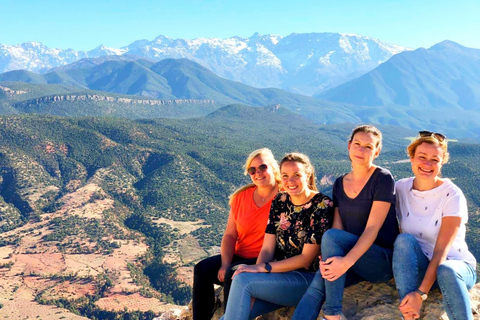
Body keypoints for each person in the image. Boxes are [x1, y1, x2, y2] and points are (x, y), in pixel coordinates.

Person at [292, 125, 399, 320]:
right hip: (353, 259)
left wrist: (345, 262)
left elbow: (372, 229)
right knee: (318, 284)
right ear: (349, 146)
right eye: (357, 144)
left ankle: (333, 313)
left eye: (368, 146)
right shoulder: (340, 183)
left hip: (380, 261)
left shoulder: (382, 179)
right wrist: (330, 259)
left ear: (377, 151)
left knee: (331, 241)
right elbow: (338, 227)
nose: (361, 150)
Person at [220, 152, 334, 320]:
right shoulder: (280, 201)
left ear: (308, 174)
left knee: (242, 280)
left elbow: (305, 259)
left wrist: (262, 268)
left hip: (305, 280)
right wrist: (256, 272)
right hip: (277, 280)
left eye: (296, 175)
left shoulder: (321, 204)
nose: (290, 181)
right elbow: (267, 248)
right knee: (230, 314)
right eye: (285, 176)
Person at [393, 131, 477, 320]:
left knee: (446, 269)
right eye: (422, 157)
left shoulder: (452, 195)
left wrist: (421, 294)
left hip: (455, 269)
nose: (427, 164)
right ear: (412, 158)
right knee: (403, 240)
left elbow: (441, 252)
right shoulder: (400, 188)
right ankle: (409, 312)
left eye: (434, 160)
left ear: (442, 162)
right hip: (422, 266)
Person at [192, 148, 281, 320]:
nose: (258, 173)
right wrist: (225, 263)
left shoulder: (284, 197)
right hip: (239, 256)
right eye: (252, 170)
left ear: (274, 168)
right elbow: (230, 235)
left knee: (234, 274)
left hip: (268, 261)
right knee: (201, 270)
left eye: (263, 167)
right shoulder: (241, 197)